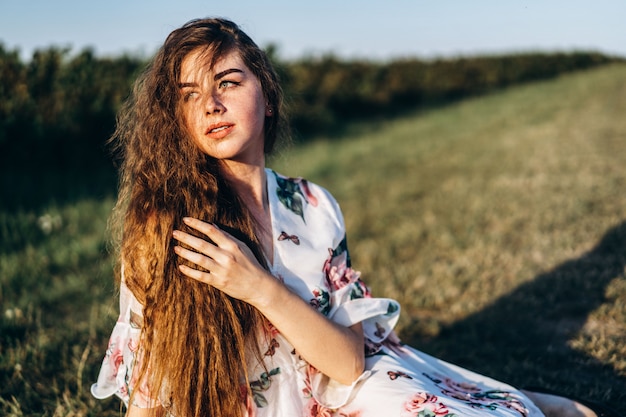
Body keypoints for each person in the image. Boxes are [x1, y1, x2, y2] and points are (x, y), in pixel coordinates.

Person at [91, 17, 601, 417]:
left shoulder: (312, 206)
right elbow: (152, 381)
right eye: (190, 94)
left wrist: (256, 284)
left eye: (228, 81)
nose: (212, 105)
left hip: (342, 389)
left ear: (266, 98)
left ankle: (499, 399)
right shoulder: (166, 224)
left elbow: (347, 362)